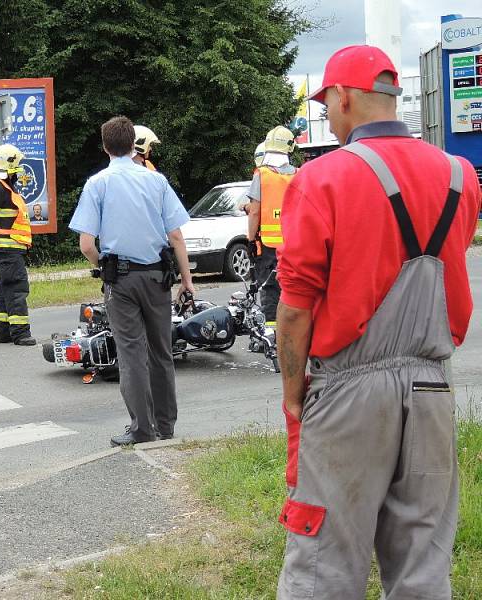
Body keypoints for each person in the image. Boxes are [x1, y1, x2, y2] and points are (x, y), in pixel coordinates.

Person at [275, 45, 481, 599]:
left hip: (348, 390)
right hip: (432, 388)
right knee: (422, 553)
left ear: (344, 96)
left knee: (324, 558)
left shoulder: (321, 179)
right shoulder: (461, 176)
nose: (328, 117)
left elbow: (295, 307)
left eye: (327, 105)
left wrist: (294, 391)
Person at [70, 116, 194, 446]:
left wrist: (102, 267)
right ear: (134, 145)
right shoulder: (157, 182)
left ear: (106, 146)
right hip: (158, 277)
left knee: (131, 355)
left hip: (121, 281)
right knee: (161, 353)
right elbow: (177, 235)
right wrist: (187, 280)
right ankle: (166, 426)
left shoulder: (97, 184)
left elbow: (86, 244)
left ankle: (142, 429)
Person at [0, 143, 36, 346]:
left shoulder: (3, 187)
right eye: (17, 165)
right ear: (9, 165)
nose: (19, 170)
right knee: (17, 288)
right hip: (8, 248)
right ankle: (20, 333)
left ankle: (4, 333)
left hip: (11, 248)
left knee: (5, 289)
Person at [245, 126, 297, 326]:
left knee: (269, 287)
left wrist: (250, 241)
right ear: (289, 147)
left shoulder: (262, 174)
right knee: (292, 287)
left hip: (268, 246)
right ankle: (292, 329)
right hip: (294, 243)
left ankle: (271, 334)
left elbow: (255, 212)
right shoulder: (298, 175)